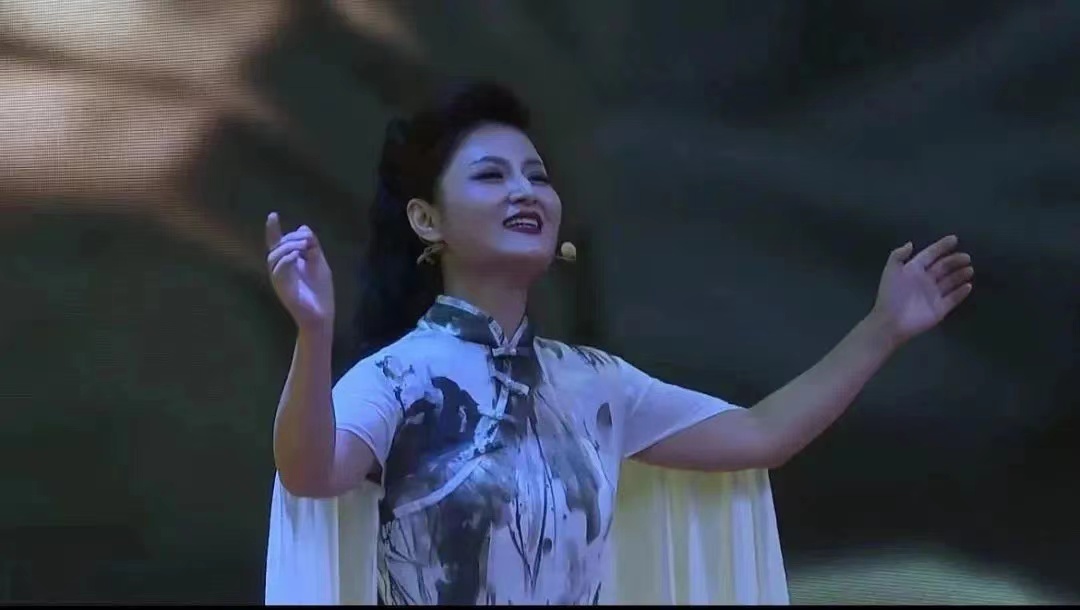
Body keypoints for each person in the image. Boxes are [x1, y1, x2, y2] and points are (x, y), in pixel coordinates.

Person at [262, 82, 974, 605]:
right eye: (491, 175)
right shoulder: (400, 377)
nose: (525, 192)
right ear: (427, 220)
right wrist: (314, 332)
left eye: (537, 177)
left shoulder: (595, 384)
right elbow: (309, 470)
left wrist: (883, 327)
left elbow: (761, 434)